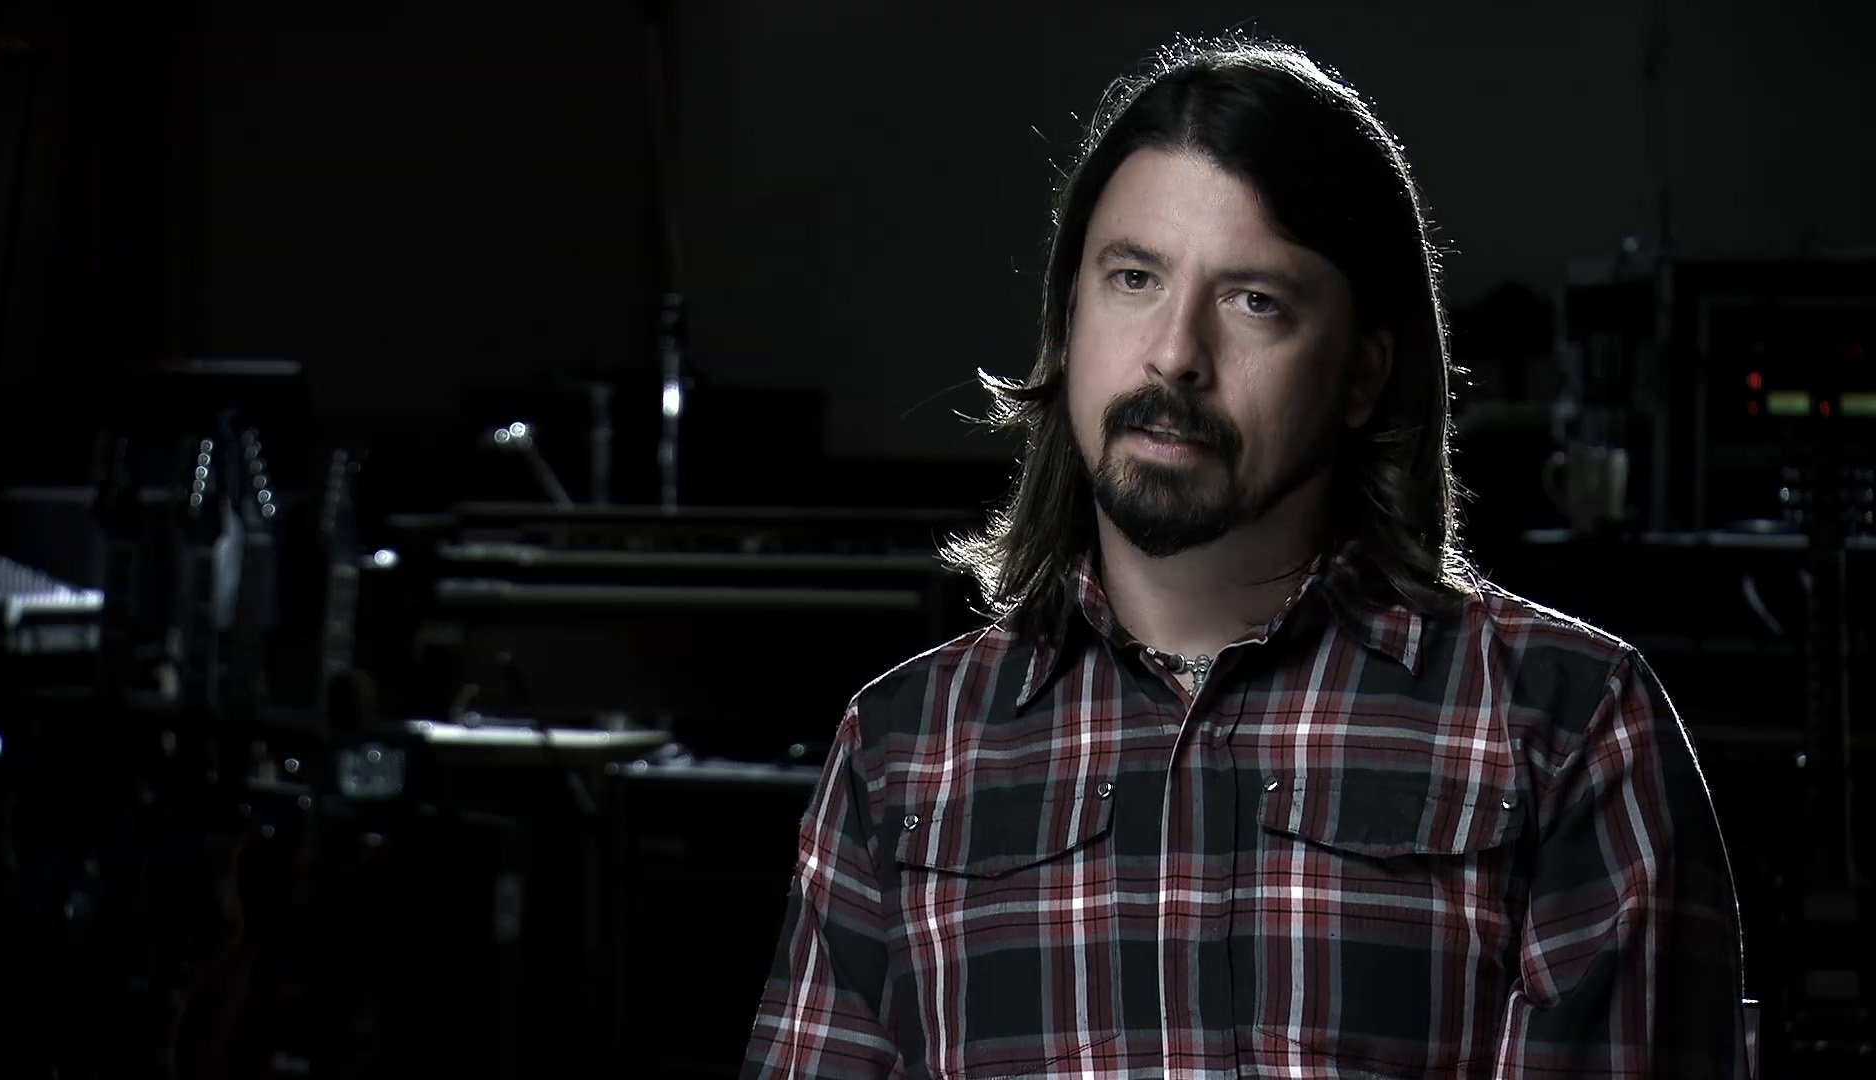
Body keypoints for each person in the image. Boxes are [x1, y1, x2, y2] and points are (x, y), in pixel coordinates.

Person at [744, 35, 1744, 1078]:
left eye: (1255, 300)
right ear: (1070, 320)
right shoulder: (900, 751)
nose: (1176, 353)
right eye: (1135, 278)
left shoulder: (1571, 726)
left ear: (1363, 374)